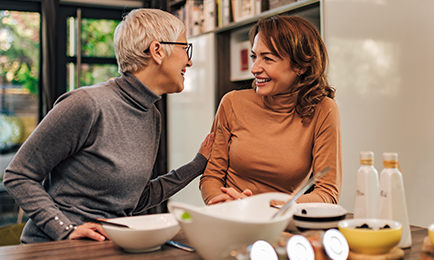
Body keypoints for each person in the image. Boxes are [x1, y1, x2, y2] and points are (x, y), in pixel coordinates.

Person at [3, 8, 214, 243]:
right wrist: (66, 229)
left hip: (107, 246)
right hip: (54, 248)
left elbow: (136, 199)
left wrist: (198, 165)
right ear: (157, 51)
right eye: (185, 48)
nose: (190, 60)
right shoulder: (86, 104)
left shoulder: (151, 115)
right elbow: (18, 175)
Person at [200, 15, 341, 205]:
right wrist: (221, 202)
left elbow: (327, 192)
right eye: (254, 56)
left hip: (282, 220)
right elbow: (211, 177)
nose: (254, 68)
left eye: (267, 59)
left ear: (300, 65)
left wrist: (266, 207)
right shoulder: (231, 103)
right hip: (231, 216)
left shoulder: (323, 110)